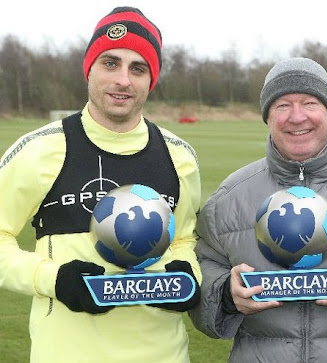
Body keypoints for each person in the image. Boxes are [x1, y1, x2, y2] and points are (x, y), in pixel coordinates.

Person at [0, 6, 201, 363]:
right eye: (111, 63)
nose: (123, 80)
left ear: (150, 79)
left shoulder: (179, 156)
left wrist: (188, 274)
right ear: (89, 69)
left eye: (137, 68)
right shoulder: (39, 150)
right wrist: (53, 279)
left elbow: (185, 239)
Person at [189, 57, 327, 362]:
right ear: (267, 116)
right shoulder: (229, 198)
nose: (297, 117)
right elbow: (199, 268)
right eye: (282, 105)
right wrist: (225, 293)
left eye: (310, 103)